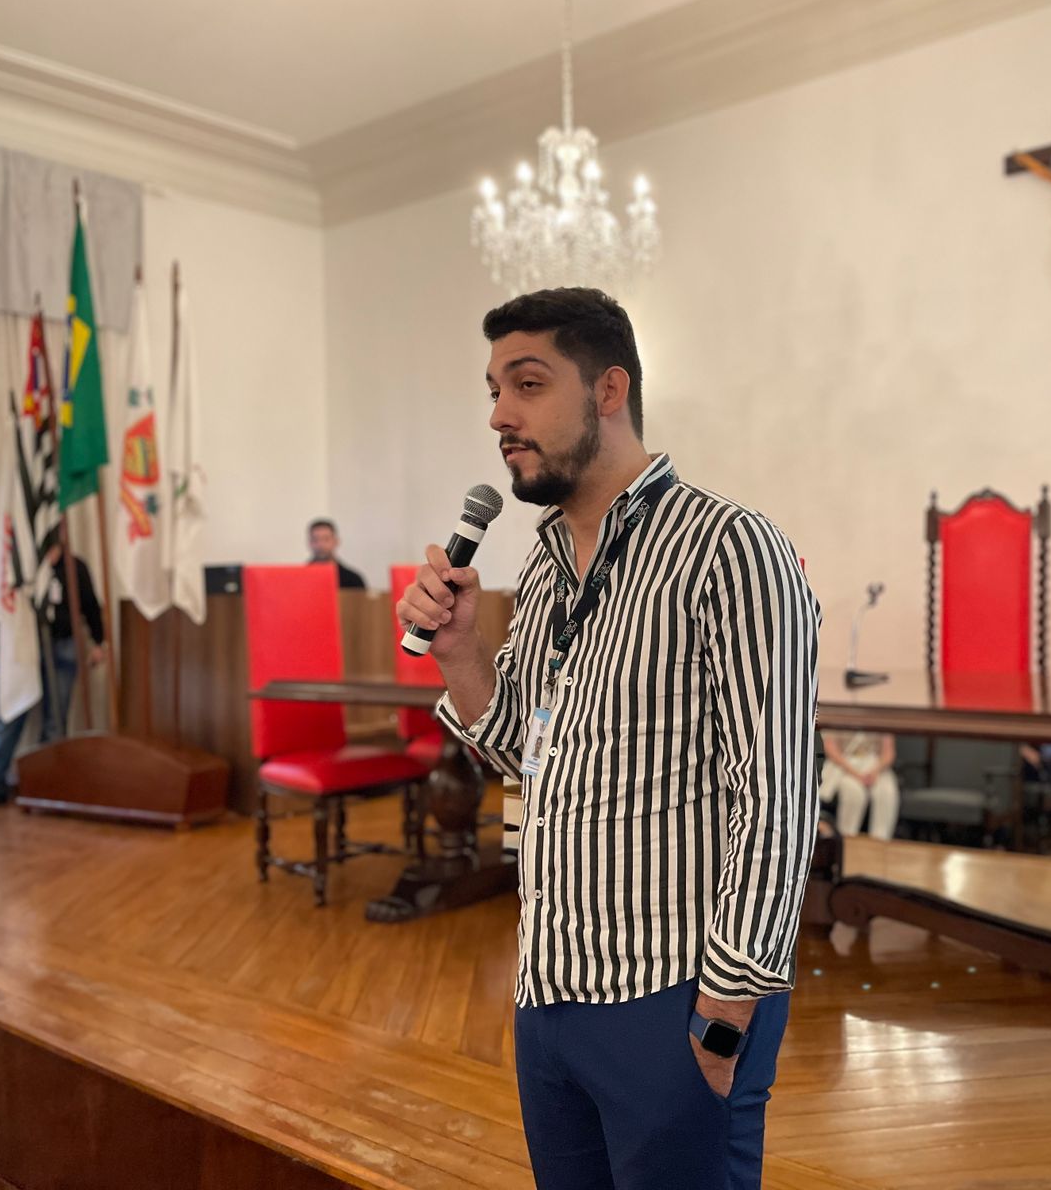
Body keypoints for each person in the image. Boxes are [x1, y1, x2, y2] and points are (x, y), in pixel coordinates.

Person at [397, 287, 820, 1190]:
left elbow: (776, 797)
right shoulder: (547, 564)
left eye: (528, 384)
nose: (499, 416)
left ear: (609, 390)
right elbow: (525, 754)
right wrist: (461, 651)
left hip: (671, 997)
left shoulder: (729, 548)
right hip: (550, 986)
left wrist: (723, 1015)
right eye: (493, 391)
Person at [0, 544, 107, 811]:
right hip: (22, 647)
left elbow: (90, 605)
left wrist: (99, 641)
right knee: (11, 713)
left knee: (56, 721)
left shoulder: (74, 567)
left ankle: (46, 786)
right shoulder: (15, 564)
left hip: (63, 645)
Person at [819, 731, 899, 840]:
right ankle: (847, 838)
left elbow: (888, 752)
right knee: (854, 792)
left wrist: (875, 771)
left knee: (886, 792)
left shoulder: (883, 719)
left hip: (875, 766)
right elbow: (830, 748)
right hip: (845, 765)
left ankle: (880, 841)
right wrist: (856, 774)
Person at [307, 517, 366, 588]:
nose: (320, 545)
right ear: (309, 543)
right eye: (315, 539)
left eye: (326, 539)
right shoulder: (300, 579)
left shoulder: (353, 580)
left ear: (336, 541)